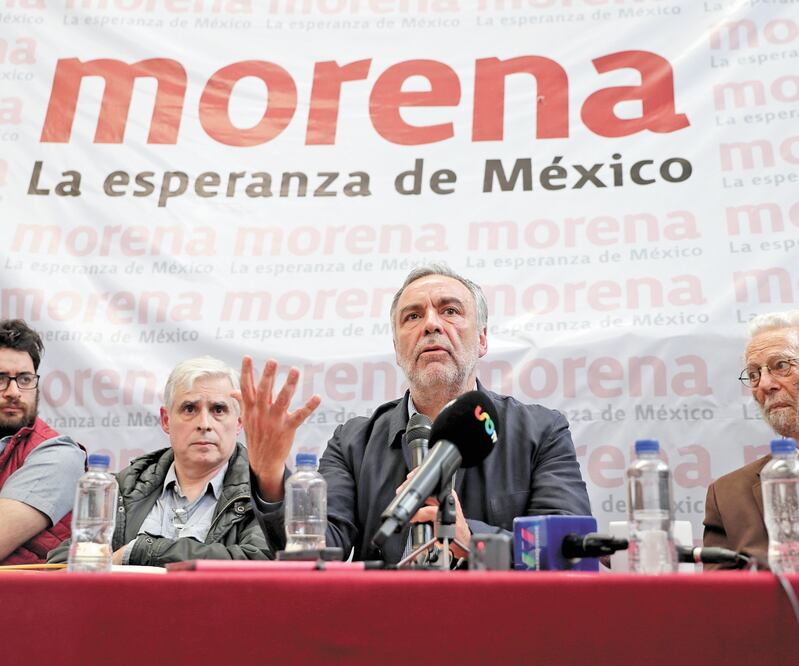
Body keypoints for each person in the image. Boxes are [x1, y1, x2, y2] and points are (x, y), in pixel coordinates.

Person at [239, 264, 591, 564]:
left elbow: (569, 547)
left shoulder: (541, 431)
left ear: (482, 339)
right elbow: (317, 552)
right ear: (397, 348)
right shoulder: (352, 443)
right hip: (383, 629)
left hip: (498, 627)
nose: (432, 325)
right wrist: (271, 477)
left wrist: (474, 541)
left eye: (450, 311)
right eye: (413, 316)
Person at [49, 356, 270, 566]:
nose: (204, 423)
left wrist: (142, 552)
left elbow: (263, 561)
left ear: (239, 422)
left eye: (218, 410)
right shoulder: (127, 486)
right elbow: (59, 562)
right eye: (189, 408)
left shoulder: (264, 491)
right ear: (166, 420)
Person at [703, 310, 799, 569]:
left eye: (781, 366)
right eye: (754, 374)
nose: (765, 384)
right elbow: (716, 601)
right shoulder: (728, 495)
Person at [0, 319, 85, 565]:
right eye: (1, 378)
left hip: (25, 601)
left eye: (25, 379)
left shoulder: (59, 455)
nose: (14, 392)